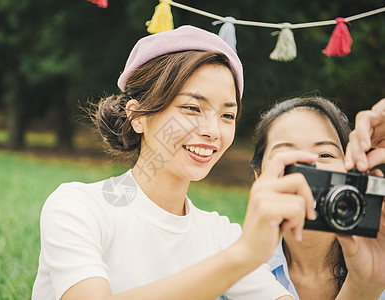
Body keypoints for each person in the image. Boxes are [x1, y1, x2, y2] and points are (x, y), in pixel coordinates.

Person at [31, 25, 379, 300]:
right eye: (192, 108)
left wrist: (364, 286)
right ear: (138, 116)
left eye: (227, 115)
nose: (212, 131)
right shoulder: (79, 206)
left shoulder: (220, 235)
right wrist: (242, 256)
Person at [250, 96, 385, 300]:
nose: (308, 169)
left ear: (351, 171)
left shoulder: (380, 256)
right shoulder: (237, 267)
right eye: (287, 156)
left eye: (325, 155)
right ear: (259, 176)